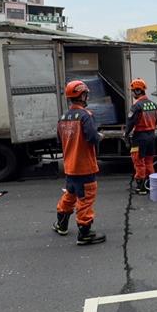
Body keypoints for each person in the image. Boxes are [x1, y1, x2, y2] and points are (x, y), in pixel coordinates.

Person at [55, 80, 106, 245]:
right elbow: (92, 138)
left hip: (70, 166)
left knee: (70, 195)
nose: (87, 96)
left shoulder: (63, 117)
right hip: (84, 167)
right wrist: (100, 137)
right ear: (81, 95)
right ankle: (85, 233)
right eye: (86, 94)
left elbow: (59, 140)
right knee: (85, 199)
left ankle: (61, 224)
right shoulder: (85, 115)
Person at [125, 78, 157, 196]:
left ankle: (141, 187)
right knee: (149, 161)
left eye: (133, 91)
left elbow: (130, 122)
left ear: (138, 91)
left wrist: (126, 134)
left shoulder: (137, 106)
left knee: (138, 162)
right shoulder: (153, 105)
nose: (132, 93)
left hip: (140, 137)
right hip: (151, 136)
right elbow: (156, 120)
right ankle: (151, 184)